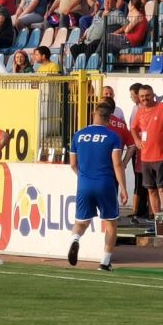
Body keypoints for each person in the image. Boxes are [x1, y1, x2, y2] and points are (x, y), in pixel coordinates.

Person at [67, 101, 129, 271]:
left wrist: (84, 176)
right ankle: (105, 262)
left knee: (81, 222)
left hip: (84, 184)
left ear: (94, 114)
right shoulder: (113, 137)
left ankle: (75, 239)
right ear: (109, 119)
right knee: (111, 224)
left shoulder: (78, 135)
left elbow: (73, 164)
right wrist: (123, 187)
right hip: (105, 184)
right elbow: (117, 164)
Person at [130, 84, 163, 217]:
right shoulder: (139, 112)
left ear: (153, 95)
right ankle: (157, 219)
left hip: (162, 156)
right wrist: (137, 141)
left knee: (162, 189)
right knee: (151, 190)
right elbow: (133, 128)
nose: (145, 99)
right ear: (139, 97)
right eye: (142, 96)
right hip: (145, 158)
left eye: (147, 96)